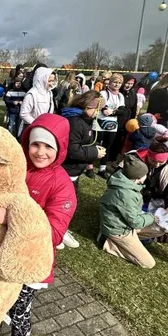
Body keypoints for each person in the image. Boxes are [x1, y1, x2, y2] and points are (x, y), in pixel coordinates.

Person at [0, 113, 76, 336]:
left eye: (49, 146)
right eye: (36, 144)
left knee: (19, 313)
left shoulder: (62, 184)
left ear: (59, 148)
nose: (40, 152)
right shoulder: (17, 168)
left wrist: (11, 218)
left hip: (29, 264)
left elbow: (54, 232)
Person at [99, 153, 164, 269]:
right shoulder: (125, 194)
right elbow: (135, 222)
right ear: (138, 177)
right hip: (119, 230)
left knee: (160, 229)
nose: (146, 176)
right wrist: (151, 217)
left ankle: (130, 243)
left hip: (125, 225)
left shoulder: (126, 185)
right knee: (148, 263)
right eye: (145, 174)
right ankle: (107, 243)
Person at [61, 92, 106, 246]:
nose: (98, 113)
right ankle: (58, 233)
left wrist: (94, 149)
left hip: (74, 171)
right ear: (87, 106)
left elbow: (82, 143)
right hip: (67, 170)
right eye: (96, 109)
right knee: (64, 204)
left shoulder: (84, 120)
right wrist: (94, 153)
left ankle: (60, 229)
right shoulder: (75, 122)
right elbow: (72, 150)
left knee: (70, 202)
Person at [95, 73, 125, 178]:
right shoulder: (103, 93)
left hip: (113, 124)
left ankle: (102, 168)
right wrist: (109, 110)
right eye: (115, 82)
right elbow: (103, 108)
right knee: (96, 143)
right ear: (110, 82)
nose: (117, 85)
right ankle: (89, 166)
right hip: (100, 122)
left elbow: (122, 111)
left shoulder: (120, 96)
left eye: (119, 83)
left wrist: (112, 112)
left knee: (107, 146)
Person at [19, 66, 56, 136]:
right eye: (49, 81)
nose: (51, 84)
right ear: (41, 79)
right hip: (31, 128)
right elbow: (23, 113)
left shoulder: (49, 93)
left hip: (44, 128)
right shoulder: (32, 94)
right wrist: (37, 123)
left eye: (52, 81)